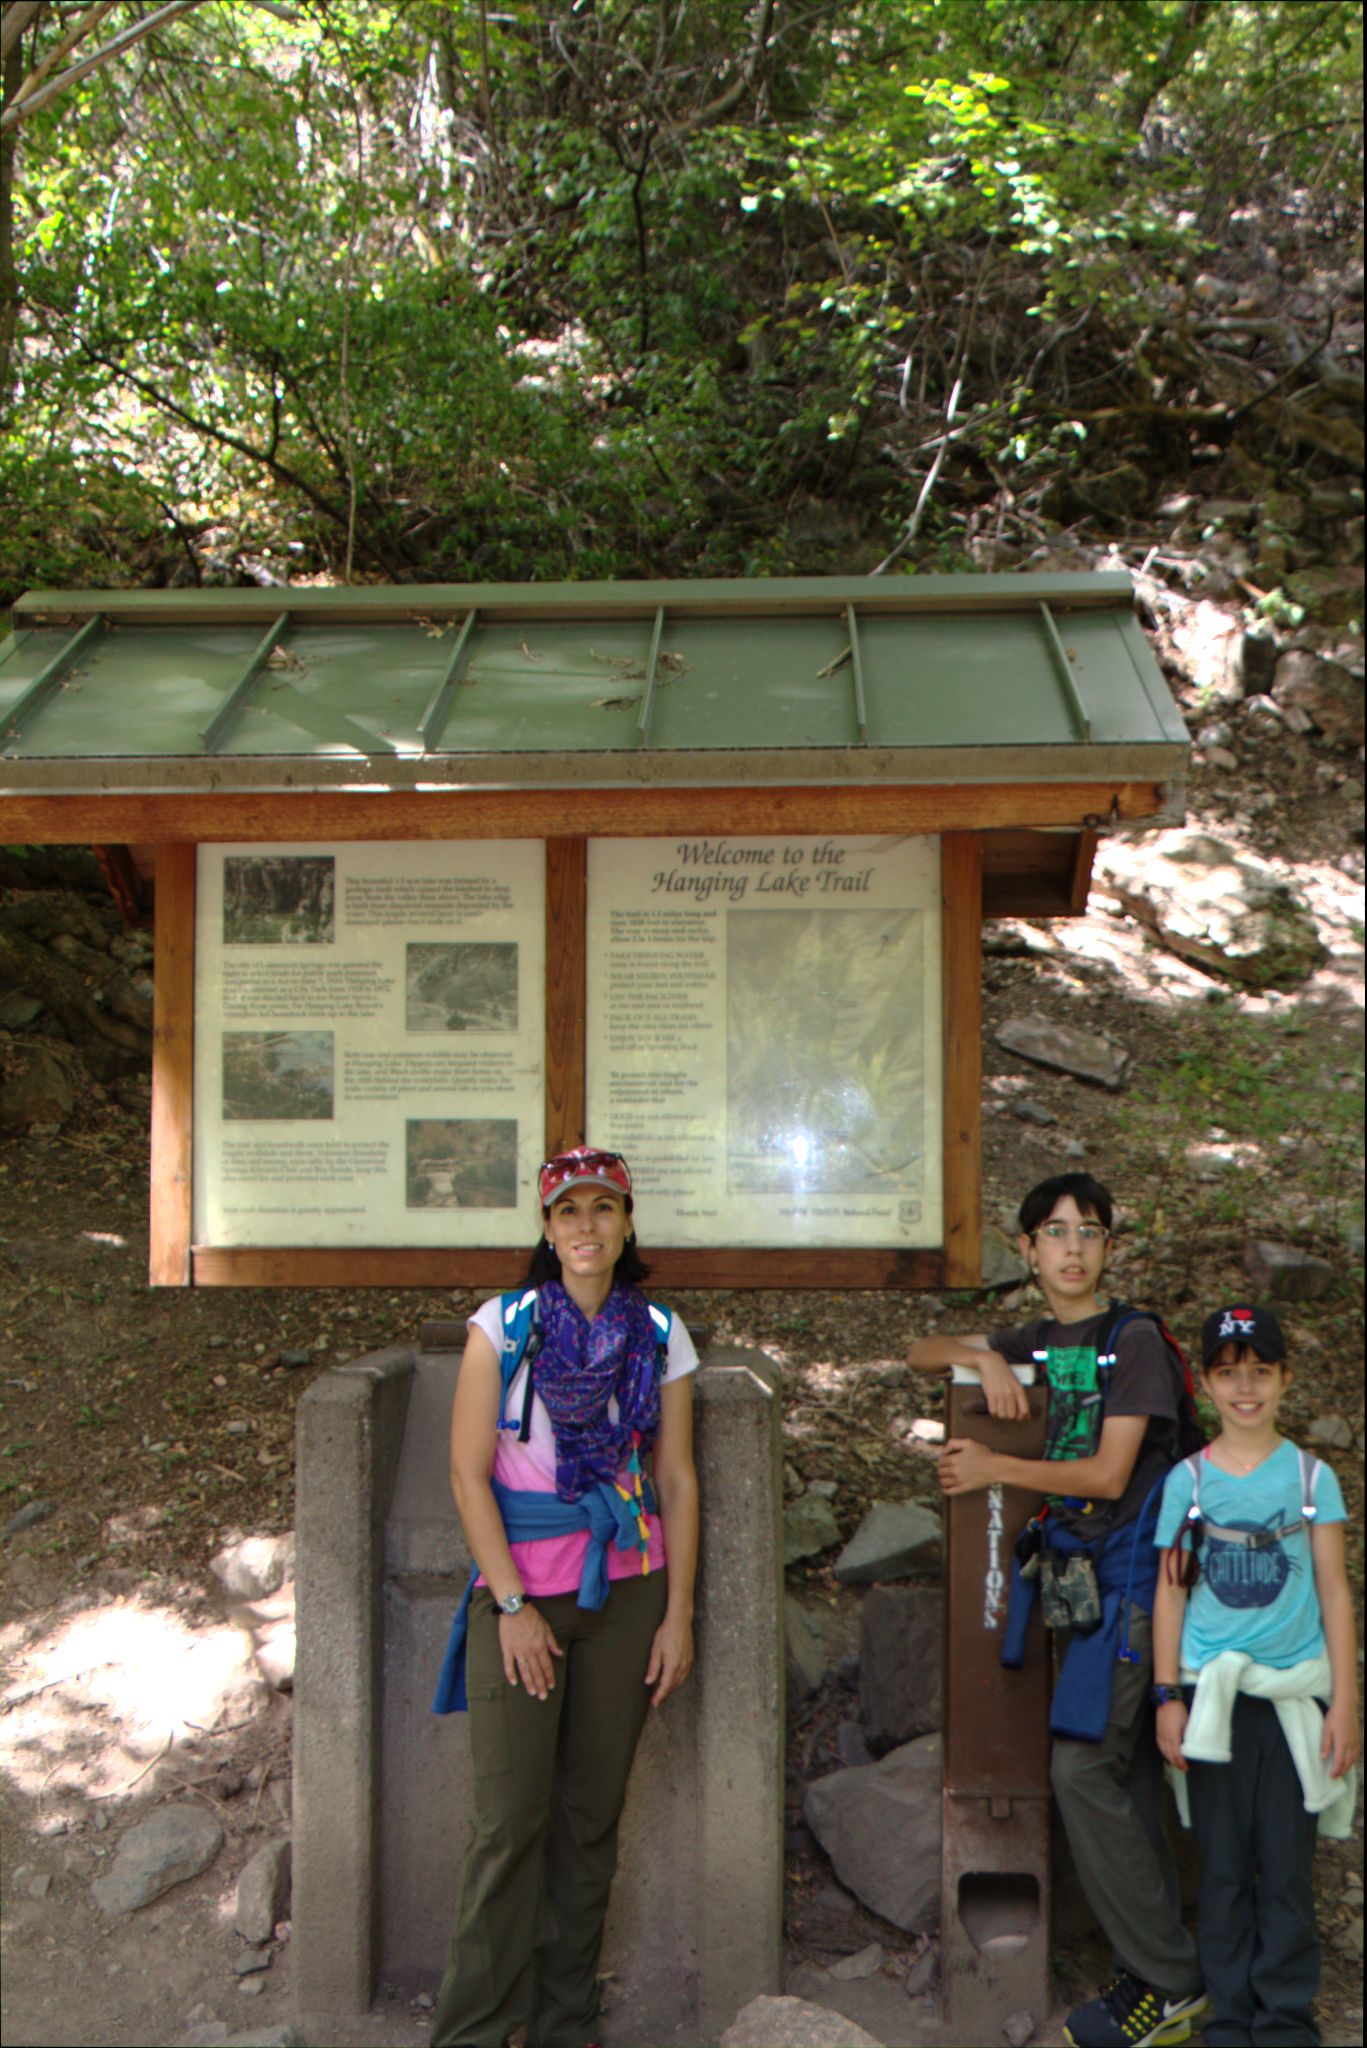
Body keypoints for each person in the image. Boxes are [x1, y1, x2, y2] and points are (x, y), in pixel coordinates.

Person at [907, 1171, 1207, 2048]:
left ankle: (1167, 1979)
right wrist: (988, 1356)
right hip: (1091, 1587)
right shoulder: (1038, 1336)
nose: (1071, 1247)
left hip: (1144, 1584)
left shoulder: (1135, 1339)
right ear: (1030, 1249)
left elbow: (1110, 1475)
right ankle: (1161, 1969)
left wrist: (998, 1470)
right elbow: (922, 1351)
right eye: (1053, 1232)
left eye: (1088, 1232)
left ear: (1109, 1247)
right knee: (1123, 1772)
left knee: (1084, 1770)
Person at [428, 1145, 700, 2048]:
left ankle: (563, 2021)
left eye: (603, 1209)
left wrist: (678, 1616)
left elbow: (676, 1478)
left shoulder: (660, 1333)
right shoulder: (501, 1327)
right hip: (522, 1596)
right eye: (568, 1211)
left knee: (590, 1819)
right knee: (510, 1822)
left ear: (627, 1223)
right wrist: (509, 1606)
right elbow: (469, 1477)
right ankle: (472, 2029)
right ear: (546, 1229)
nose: (586, 1226)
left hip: (626, 1594)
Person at [1153, 1304, 1358, 2048]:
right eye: (1228, 1373)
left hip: (1294, 1700)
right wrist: (1165, 1696)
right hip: (1213, 1700)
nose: (1245, 1388)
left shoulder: (1311, 1478)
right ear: (1206, 1383)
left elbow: (1333, 1589)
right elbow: (1169, 1588)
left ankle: (1282, 2021)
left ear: (1283, 1380)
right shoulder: (1188, 1482)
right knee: (1221, 1868)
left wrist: (1345, 1703)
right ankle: (1229, 2018)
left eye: (1260, 1372)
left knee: (1285, 1868)